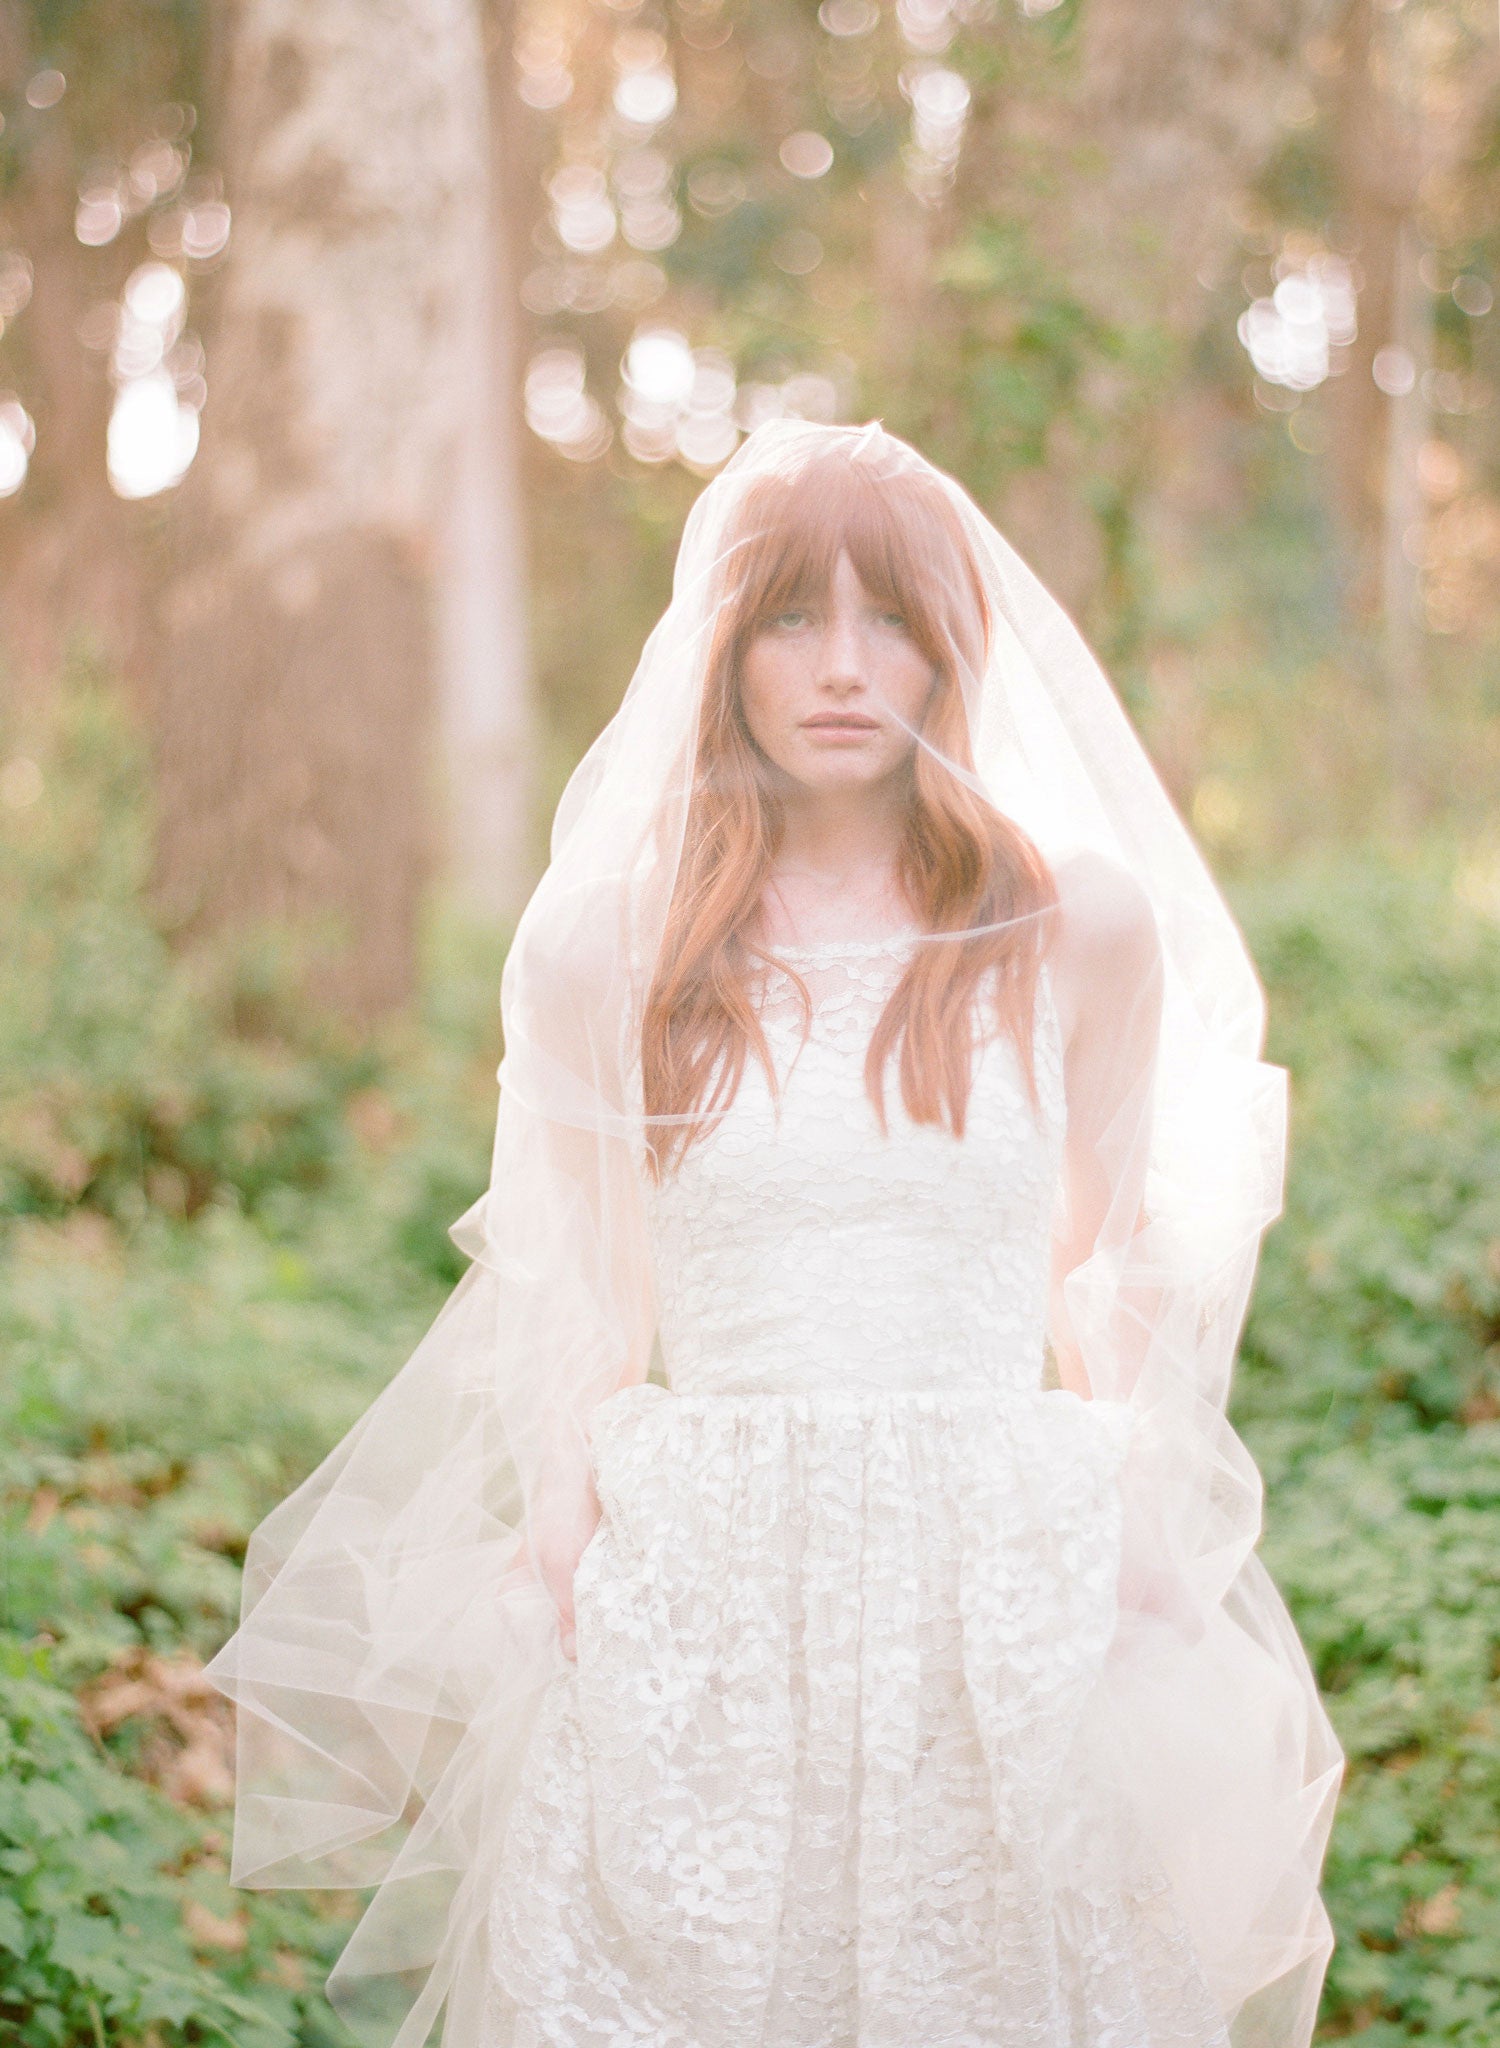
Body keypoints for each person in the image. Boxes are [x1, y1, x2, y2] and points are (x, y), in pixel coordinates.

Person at [206, 420, 1343, 2048]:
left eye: (890, 618)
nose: (843, 667)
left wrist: (1139, 1510)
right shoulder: (613, 951)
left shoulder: (1076, 927)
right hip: (708, 1573)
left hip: (996, 1571)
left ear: (955, 651)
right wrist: (563, 1532)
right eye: (793, 617)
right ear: (720, 649)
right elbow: (581, 1281)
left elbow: (1110, 1256)